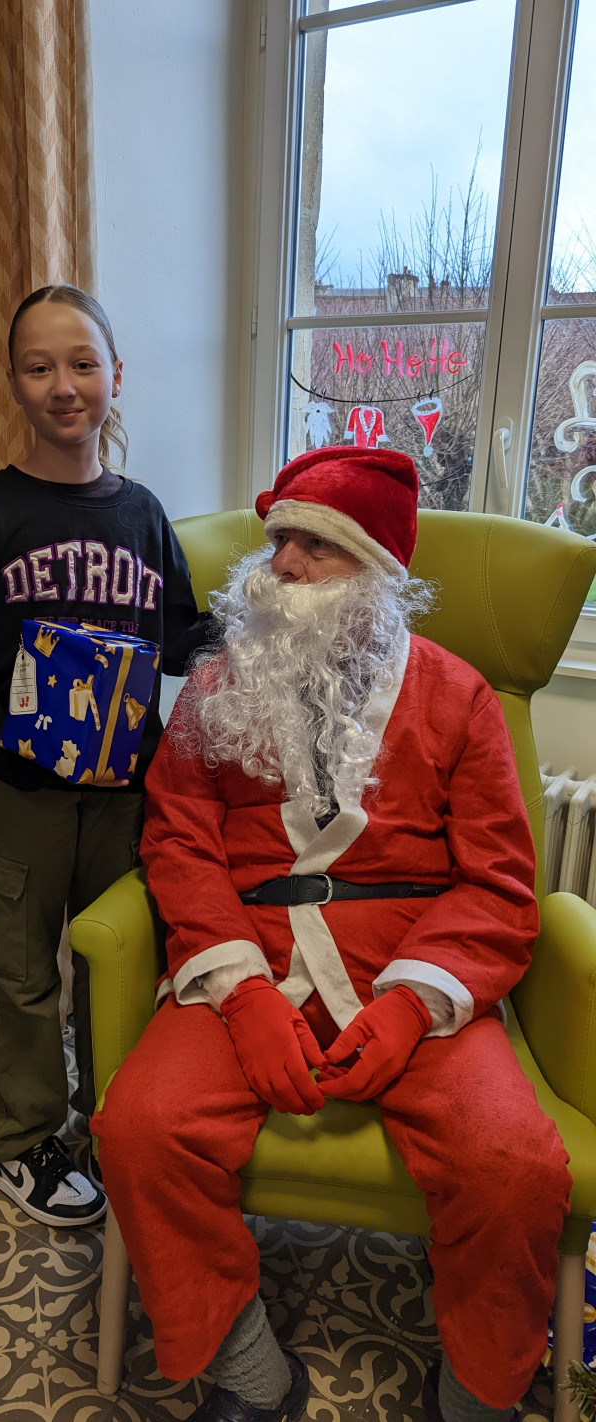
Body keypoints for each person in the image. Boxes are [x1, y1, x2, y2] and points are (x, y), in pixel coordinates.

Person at [92, 445, 572, 1422]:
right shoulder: (216, 684)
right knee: (139, 1127)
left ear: (377, 575)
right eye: (278, 543)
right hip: (245, 951)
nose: (286, 565)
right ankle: (246, 1367)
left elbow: (496, 882)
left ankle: (477, 1392)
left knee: (510, 1166)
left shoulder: (459, 696)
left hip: (412, 962)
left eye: (319, 545)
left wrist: (410, 1007)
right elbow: (178, 846)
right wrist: (241, 991)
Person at [0, 285, 212, 1228]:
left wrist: (263, 634)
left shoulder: (143, 514)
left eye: (82, 363)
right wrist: (8, 750)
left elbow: (179, 636)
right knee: (20, 970)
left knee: (117, 961)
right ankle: (21, 1140)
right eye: (39, 367)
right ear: (14, 384)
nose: (63, 385)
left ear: (115, 377)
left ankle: (112, 1122)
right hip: (24, 795)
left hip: (123, 795)